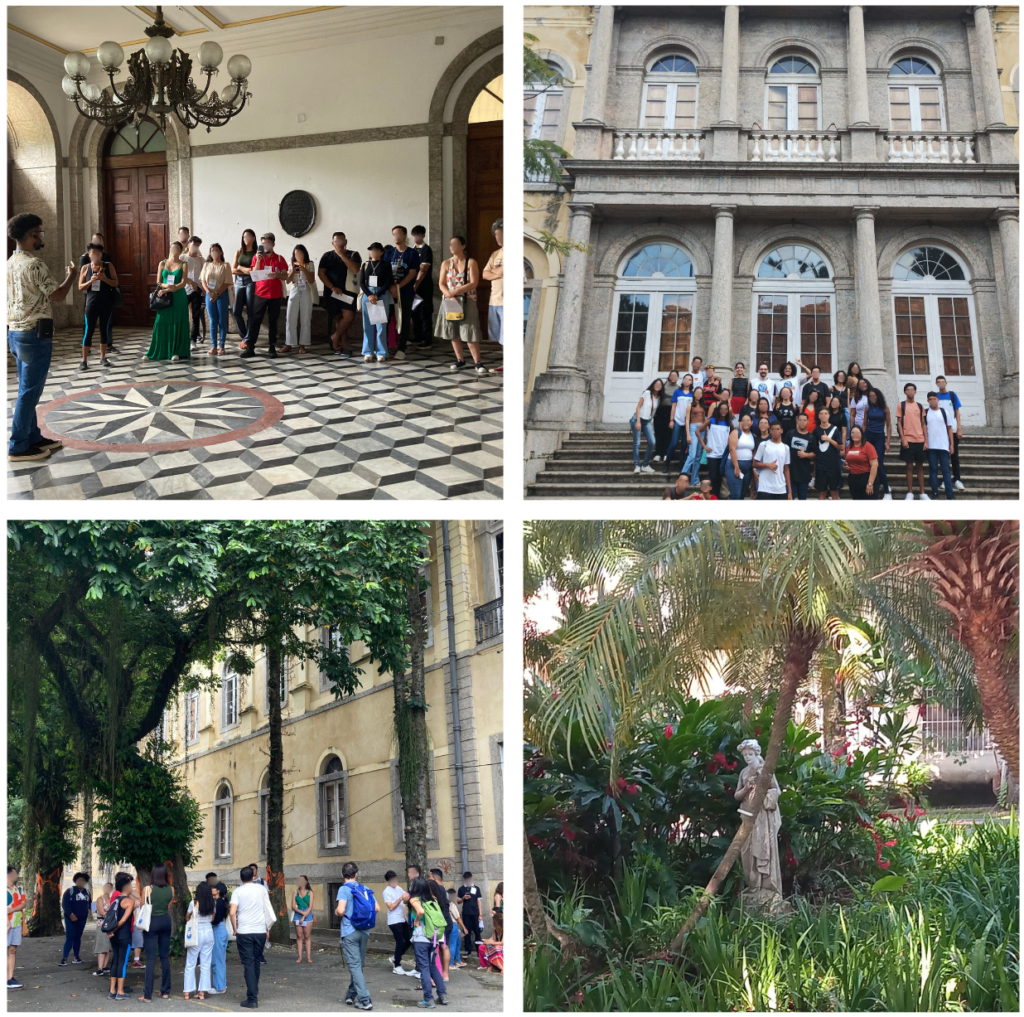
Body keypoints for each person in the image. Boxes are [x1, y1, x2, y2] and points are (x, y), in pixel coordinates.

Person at [6, 213, 75, 463]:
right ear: (33, 235)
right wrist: (72, 275)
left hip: (14, 333)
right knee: (29, 392)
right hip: (35, 333)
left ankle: (33, 437)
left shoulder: (8, 264)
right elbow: (56, 295)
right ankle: (18, 445)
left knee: (27, 388)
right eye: (40, 233)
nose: (41, 237)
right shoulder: (34, 264)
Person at [435, 235, 485, 373]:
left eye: (456, 244)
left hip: (467, 299)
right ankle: (460, 360)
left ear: (463, 246)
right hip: (450, 300)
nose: (452, 247)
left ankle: (477, 362)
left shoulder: (471, 262)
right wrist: (449, 295)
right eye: (451, 244)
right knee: (453, 330)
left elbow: (474, 283)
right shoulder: (446, 263)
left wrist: (455, 291)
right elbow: (441, 283)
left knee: (469, 329)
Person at [336, 861, 379, 1011]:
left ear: (342, 874)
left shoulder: (343, 889)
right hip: (364, 931)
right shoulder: (365, 888)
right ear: (356, 874)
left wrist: (337, 911)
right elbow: (377, 907)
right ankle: (351, 994)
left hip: (349, 931)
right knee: (358, 965)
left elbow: (341, 911)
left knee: (354, 966)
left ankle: (365, 999)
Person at [241, 233, 289, 358]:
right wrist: (258, 260)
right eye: (263, 243)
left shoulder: (279, 259)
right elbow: (253, 274)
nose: (265, 245)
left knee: (273, 321)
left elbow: (286, 275)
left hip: (275, 295)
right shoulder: (257, 258)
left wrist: (276, 275)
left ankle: (272, 347)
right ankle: (250, 347)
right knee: (255, 320)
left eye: (268, 243)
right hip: (260, 293)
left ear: (273, 244)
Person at [230, 865, 272, 1009]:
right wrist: (267, 928)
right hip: (260, 930)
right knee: (256, 962)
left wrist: (235, 929)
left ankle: (252, 997)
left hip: (244, 931)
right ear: (254, 877)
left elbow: (232, 912)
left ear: (240, 877)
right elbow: (266, 909)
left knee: (248, 963)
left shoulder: (237, 891)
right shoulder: (261, 889)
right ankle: (254, 991)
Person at [145, 240, 191, 361]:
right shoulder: (162, 263)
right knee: (160, 322)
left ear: (180, 251)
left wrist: (173, 288)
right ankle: (156, 350)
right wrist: (166, 288)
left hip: (179, 296)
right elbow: (158, 281)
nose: (173, 250)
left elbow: (183, 283)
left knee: (177, 322)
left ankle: (176, 351)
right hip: (165, 296)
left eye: (176, 248)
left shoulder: (184, 264)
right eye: (172, 248)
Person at [317, 232, 360, 359]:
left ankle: (335, 337)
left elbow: (355, 269)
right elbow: (321, 273)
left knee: (348, 316)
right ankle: (342, 342)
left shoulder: (353, 254)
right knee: (338, 318)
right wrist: (332, 287)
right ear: (333, 243)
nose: (339, 243)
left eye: (341, 240)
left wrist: (342, 255)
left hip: (348, 291)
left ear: (345, 242)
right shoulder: (327, 256)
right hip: (333, 292)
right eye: (336, 241)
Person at [76, 243, 117, 371]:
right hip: (91, 304)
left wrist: (104, 279)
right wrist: (91, 281)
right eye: (93, 254)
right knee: (88, 330)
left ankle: (103, 357)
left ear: (102, 254)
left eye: (98, 254)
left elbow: (115, 283)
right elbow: (80, 287)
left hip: (106, 303)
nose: (95, 256)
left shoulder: (108, 266)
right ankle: (84, 360)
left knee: (104, 329)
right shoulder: (85, 268)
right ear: (89, 254)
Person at [408, 876, 447, 1009]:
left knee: (424, 968)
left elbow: (420, 911)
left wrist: (417, 920)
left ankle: (428, 999)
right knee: (432, 966)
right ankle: (442, 995)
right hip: (433, 938)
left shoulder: (414, 899)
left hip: (421, 938)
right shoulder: (431, 900)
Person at [139, 863, 173, 1001]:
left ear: (153, 874)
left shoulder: (147, 889)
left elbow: (142, 907)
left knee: (151, 958)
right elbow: (169, 906)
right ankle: (165, 991)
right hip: (166, 920)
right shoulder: (171, 889)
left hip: (152, 922)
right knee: (164, 956)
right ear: (165, 874)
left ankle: (147, 995)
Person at [386, 225, 421, 360]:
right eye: (394, 234)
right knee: (387, 319)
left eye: (398, 234)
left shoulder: (412, 253)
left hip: (405, 292)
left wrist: (398, 287)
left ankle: (402, 348)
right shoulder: (389, 253)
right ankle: (385, 347)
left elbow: (412, 273)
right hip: (389, 292)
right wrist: (390, 287)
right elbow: (385, 272)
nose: (396, 237)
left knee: (405, 320)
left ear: (405, 236)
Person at [360, 242, 395, 363]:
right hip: (367, 295)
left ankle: (381, 352)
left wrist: (377, 295)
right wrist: (369, 295)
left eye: (375, 250)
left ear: (381, 252)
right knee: (367, 325)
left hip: (381, 295)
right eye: (371, 250)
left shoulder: (386, 265)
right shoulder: (365, 265)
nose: (373, 252)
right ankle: (368, 351)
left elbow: (388, 281)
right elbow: (361, 282)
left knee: (380, 325)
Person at [182, 882, 214, 1001]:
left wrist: (190, 920)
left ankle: (187, 992)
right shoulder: (212, 903)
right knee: (206, 963)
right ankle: (202, 993)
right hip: (209, 932)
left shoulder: (193, 903)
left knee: (190, 963)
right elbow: (212, 918)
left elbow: (187, 916)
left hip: (196, 933)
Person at [107, 872, 136, 1002]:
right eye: (131, 884)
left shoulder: (115, 901)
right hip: (124, 936)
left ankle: (112, 990)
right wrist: (115, 928)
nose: (132, 887)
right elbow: (123, 920)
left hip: (113, 937)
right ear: (126, 886)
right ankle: (120, 991)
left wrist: (111, 931)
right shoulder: (129, 901)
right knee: (123, 963)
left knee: (115, 961)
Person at [896, 382, 928, 500]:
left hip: (919, 439)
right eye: (908, 390)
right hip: (907, 439)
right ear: (905, 392)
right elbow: (899, 423)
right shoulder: (901, 405)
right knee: (909, 466)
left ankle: (922, 492)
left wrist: (926, 441)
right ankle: (910, 492)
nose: (910, 392)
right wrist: (903, 438)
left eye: (912, 390)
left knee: (920, 466)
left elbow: (923, 423)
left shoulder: (919, 406)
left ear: (915, 392)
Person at [935, 375, 966, 491]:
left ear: (946, 383)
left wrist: (959, 428)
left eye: (943, 382)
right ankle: (945, 480)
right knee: (943, 457)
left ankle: (957, 479)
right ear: (936, 384)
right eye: (938, 382)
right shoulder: (935, 397)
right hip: (941, 432)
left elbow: (957, 412)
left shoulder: (952, 395)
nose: (941, 384)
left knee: (954, 456)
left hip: (952, 430)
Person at [481, 219, 504, 373]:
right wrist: (499, 271)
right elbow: (484, 274)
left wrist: (496, 272)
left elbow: (502, 272)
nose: (496, 237)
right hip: (494, 299)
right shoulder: (496, 254)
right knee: (500, 337)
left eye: (497, 234)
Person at [383, 871, 416, 977]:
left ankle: (395, 958)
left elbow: (405, 900)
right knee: (400, 942)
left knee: (409, 940)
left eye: (395, 879)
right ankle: (397, 965)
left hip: (402, 919)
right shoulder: (386, 892)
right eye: (392, 880)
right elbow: (391, 907)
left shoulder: (398, 888)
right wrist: (401, 898)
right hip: (393, 921)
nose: (395, 882)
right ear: (388, 881)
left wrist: (406, 898)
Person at [284, 245, 316, 354]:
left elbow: (312, 280)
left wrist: (304, 269)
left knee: (305, 318)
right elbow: (287, 281)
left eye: (300, 254)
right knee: (290, 317)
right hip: (294, 289)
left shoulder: (310, 264)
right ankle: (289, 343)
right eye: (296, 254)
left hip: (306, 289)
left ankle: (303, 345)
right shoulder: (291, 264)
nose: (298, 256)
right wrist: (293, 271)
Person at [201, 244, 232, 355]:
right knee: (213, 320)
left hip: (222, 295)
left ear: (221, 252)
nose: (214, 252)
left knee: (222, 320)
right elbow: (203, 281)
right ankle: (214, 346)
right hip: (210, 295)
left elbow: (228, 281)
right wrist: (209, 293)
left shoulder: (225, 265)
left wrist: (217, 294)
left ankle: (222, 346)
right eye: (212, 250)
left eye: (216, 250)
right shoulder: (206, 265)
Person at [925, 391, 955, 500]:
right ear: (927, 401)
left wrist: (951, 444)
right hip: (931, 446)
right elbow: (923, 429)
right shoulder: (925, 412)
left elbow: (950, 428)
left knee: (945, 470)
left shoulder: (944, 412)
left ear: (938, 400)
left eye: (934, 398)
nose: (932, 401)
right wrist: (925, 442)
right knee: (933, 469)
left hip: (943, 446)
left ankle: (949, 493)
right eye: (930, 399)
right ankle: (935, 493)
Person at [701, 400, 733, 498]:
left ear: (728, 411)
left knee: (720, 477)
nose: (723, 411)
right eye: (721, 409)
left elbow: (733, 435)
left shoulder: (729, 422)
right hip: (712, 454)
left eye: (725, 409)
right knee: (713, 476)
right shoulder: (711, 420)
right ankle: (712, 497)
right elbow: (698, 431)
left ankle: (717, 497)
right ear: (718, 410)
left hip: (723, 454)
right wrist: (704, 446)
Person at [752, 421, 792, 500]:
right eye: (773, 429)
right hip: (765, 488)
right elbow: (754, 464)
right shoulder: (764, 444)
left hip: (781, 488)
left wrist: (790, 492)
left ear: (781, 430)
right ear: (770, 431)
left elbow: (786, 469)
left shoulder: (785, 448)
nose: (775, 431)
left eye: (777, 429)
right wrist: (767, 465)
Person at [232, 229, 259, 345]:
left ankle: (248, 339)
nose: (245, 239)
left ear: (253, 238)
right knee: (236, 311)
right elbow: (233, 270)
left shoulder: (257, 253)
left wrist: (241, 267)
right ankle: (244, 336)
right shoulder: (239, 251)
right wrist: (245, 270)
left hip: (251, 282)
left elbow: (254, 272)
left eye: (248, 237)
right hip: (238, 282)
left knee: (250, 311)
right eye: (244, 237)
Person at [864, 388, 892, 499]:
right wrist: (862, 438)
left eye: (874, 396)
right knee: (868, 463)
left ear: (878, 396)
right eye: (870, 396)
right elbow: (864, 424)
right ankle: (871, 486)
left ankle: (886, 491)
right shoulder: (867, 408)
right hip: (868, 436)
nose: (872, 398)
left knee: (878, 463)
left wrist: (888, 442)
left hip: (879, 436)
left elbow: (889, 425)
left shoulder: (885, 408)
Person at [631, 379, 663, 474]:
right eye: (656, 384)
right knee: (637, 443)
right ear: (653, 385)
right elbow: (638, 407)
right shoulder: (647, 393)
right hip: (638, 419)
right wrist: (638, 422)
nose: (657, 386)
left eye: (660, 385)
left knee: (652, 442)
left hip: (647, 421)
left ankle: (645, 465)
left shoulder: (659, 398)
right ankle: (637, 465)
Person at [410, 225, 434, 350]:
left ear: (423, 235)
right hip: (413, 287)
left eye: (418, 235)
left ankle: (427, 339)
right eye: (414, 235)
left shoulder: (426, 250)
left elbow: (424, 269)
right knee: (414, 312)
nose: (416, 238)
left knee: (425, 313)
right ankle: (417, 336)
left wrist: (416, 284)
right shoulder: (413, 250)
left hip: (424, 287)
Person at [59, 872, 91, 966]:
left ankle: (76, 957)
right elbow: (65, 904)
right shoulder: (70, 891)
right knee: (70, 937)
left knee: (78, 937)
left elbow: (90, 904)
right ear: (75, 881)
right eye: (79, 880)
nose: (81, 882)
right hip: (70, 919)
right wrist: (71, 914)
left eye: (83, 881)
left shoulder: (87, 892)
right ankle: (64, 958)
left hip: (82, 919)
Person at [427, 869, 453, 982]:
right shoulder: (445, 889)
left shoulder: (437, 889)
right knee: (445, 946)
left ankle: (436, 975)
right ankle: (445, 975)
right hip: (446, 920)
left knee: (436, 948)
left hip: (439, 921)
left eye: (429, 877)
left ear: (434, 878)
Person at [784, 412, 816, 501]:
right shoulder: (790, 434)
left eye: (804, 420)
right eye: (800, 420)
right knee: (790, 498)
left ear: (808, 422)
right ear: (797, 421)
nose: (802, 422)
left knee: (802, 498)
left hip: (804, 473)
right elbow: (783, 450)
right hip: (790, 473)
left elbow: (815, 454)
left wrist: (806, 455)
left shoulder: (811, 437)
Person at [813, 407, 843, 501]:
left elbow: (841, 447)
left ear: (829, 415)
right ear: (818, 416)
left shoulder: (835, 429)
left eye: (825, 413)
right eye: (821, 413)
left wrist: (828, 439)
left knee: (834, 493)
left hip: (833, 465)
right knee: (822, 493)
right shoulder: (816, 430)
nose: (823, 415)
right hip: (821, 465)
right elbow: (814, 449)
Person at [680, 386, 708, 483]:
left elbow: (705, 419)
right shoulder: (690, 405)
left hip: (702, 430)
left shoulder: (704, 405)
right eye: (697, 393)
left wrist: (707, 433)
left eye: (700, 393)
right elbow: (687, 420)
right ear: (694, 394)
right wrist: (688, 434)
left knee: (698, 456)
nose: (698, 395)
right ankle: (682, 477)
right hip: (692, 428)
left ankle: (694, 479)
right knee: (692, 455)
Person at [844, 425, 879, 500]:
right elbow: (849, 462)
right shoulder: (849, 447)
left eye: (857, 432)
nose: (855, 434)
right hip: (853, 479)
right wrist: (846, 466)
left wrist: (870, 483)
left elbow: (874, 465)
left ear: (862, 434)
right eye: (853, 433)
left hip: (866, 477)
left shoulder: (868, 446)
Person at [726, 413, 756, 500]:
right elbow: (732, 449)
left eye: (748, 420)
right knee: (735, 494)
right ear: (740, 422)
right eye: (743, 420)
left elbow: (753, 451)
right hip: (734, 465)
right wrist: (736, 467)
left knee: (742, 495)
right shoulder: (736, 432)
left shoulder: (753, 435)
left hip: (748, 467)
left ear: (751, 422)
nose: (745, 422)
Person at [652, 369, 679, 463]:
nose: (673, 377)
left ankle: (666, 453)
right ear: (669, 376)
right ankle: (658, 453)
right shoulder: (663, 385)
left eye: (675, 376)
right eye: (672, 375)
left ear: (678, 378)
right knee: (659, 433)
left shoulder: (679, 388)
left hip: (671, 411)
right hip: (660, 411)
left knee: (669, 433)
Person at [184, 236, 206, 346]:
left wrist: (203, 289)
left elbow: (205, 276)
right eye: (194, 245)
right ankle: (182, 337)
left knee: (196, 315)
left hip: (197, 290)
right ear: (188, 245)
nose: (195, 247)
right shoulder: (182, 257)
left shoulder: (202, 260)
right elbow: (179, 274)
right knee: (182, 314)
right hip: (183, 290)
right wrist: (189, 282)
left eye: (198, 246)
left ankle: (193, 339)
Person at [8, 866, 26, 990]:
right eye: (15, 874)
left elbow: (23, 903)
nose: (17, 876)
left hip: (16, 923)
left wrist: (11, 909)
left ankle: (9, 978)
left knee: (13, 950)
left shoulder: (18, 889)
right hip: (5, 924)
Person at [210, 882, 230, 995]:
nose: (211, 889)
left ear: (217, 891)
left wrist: (208, 920)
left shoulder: (218, 903)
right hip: (219, 931)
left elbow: (216, 920)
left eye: (213, 888)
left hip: (217, 930)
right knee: (218, 960)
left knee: (217, 960)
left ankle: (220, 987)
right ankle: (220, 984)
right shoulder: (221, 902)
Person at [457, 872, 482, 959]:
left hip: (475, 913)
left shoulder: (476, 888)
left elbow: (479, 901)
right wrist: (463, 898)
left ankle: (479, 951)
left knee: (477, 932)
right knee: (466, 932)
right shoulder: (461, 889)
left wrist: (480, 914)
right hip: (466, 913)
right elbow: (458, 901)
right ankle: (468, 951)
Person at [292, 875, 314, 964]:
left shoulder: (310, 892)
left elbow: (310, 906)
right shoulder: (295, 892)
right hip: (298, 914)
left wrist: (304, 916)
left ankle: (308, 956)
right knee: (299, 936)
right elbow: (293, 906)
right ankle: (300, 957)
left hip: (307, 914)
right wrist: (301, 914)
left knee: (307, 936)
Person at [93, 882, 113, 977]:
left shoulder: (112, 899)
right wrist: (111, 917)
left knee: (109, 948)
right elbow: (102, 911)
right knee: (101, 947)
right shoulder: (100, 899)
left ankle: (105, 966)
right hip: (102, 925)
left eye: (110, 887)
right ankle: (99, 968)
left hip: (111, 926)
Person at [446, 889, 468, 968]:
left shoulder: (444, 904)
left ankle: (458, 961)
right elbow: (458, 918)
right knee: (453, 944)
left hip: (448, 925)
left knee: (458, 943)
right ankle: (450, 964)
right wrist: (464, 928)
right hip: (453, 925)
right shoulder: (452, 905)